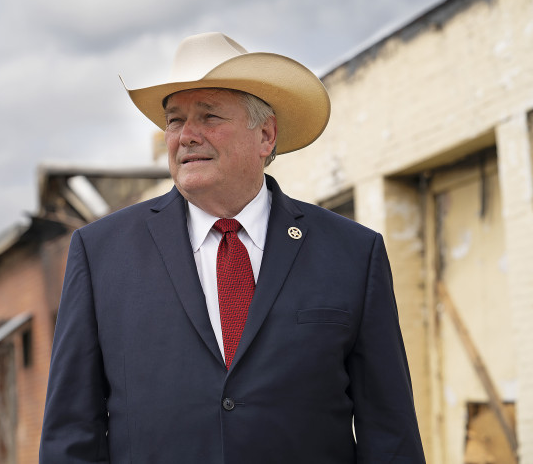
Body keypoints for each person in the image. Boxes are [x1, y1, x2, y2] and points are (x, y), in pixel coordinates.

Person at [39, 32, 426, 463]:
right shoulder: (101, 254)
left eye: (208, 117)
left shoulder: (353, 253)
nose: (186, 135)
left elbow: (391, 436)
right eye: (174, 120)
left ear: (265, 135)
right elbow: (70, 435)